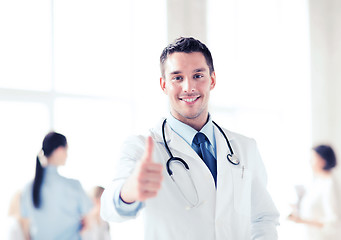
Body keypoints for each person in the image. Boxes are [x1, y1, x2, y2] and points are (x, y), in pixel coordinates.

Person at [101, 37, 279, 239]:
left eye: (198, 75)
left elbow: (263, 217)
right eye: (177, 78)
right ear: (163, 85)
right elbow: (109, 209)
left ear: (212, 80)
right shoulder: (141, 147)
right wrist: (128, 192)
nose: (188, 87)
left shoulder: (245, 147)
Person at [20, 131, 92, 239]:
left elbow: (25, 227)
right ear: (59, 150)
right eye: (66, 151)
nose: (67, 155)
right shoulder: (73, 186)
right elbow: (88, 223)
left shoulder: (28, 188)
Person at [288, 145, 341, 240]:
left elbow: (333, 222)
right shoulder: (317, 182)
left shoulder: (329, 185)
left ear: (323, 161)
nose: (309, 162)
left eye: (313, 158)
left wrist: (301, 221)